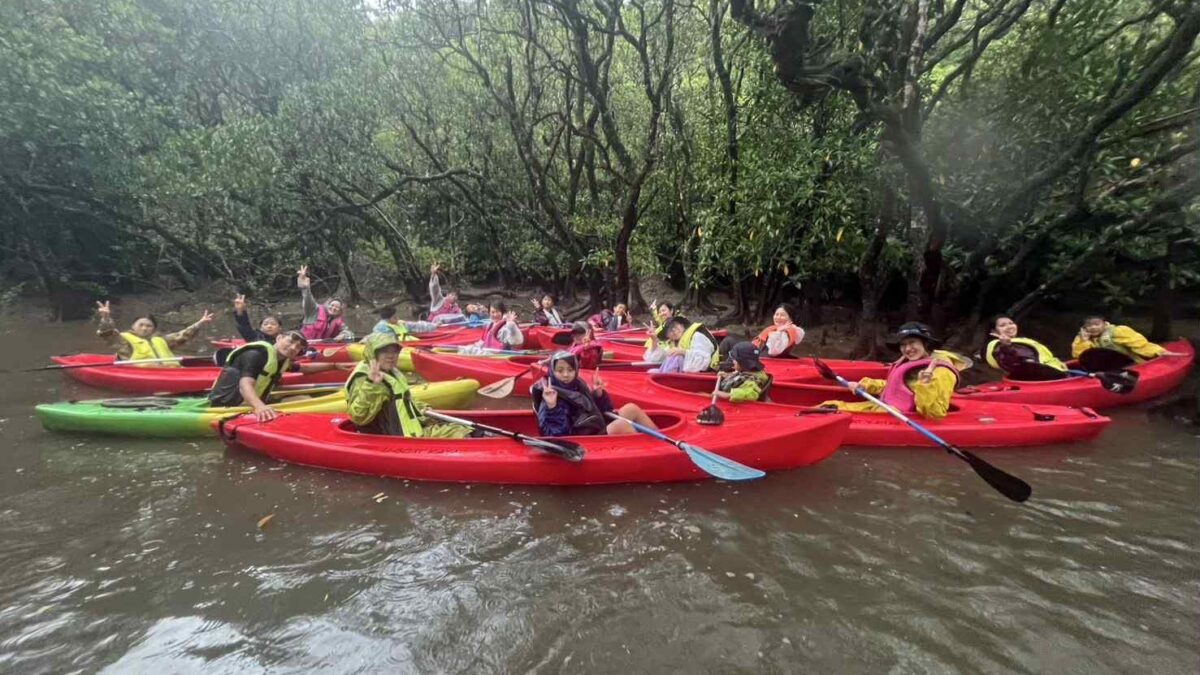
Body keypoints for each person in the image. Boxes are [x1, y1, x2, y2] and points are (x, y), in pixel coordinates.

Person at [819, 322, 969, 420]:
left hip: (901, 418)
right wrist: (865, 385)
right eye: (903, 345)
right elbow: (896, 388)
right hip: (885, 409)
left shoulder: (941, 371)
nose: (907, 349)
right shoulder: (914, 361)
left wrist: (925, 384)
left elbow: (934, 414)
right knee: (830, 405)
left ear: (926, 343)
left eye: (912, 342)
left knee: (829, 411)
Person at [345, 332, 473, 437]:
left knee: (464, 429)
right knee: (460, 433)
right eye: (385, 352)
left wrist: (423, 408)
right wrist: (372, 385)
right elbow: (358, 416)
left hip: (410, 431)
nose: (391, 356)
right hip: (395, 440)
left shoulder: (392, 372)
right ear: (373, 354)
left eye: (394, 352)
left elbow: (403, 401)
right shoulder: (363, 378)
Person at [207, 331, 346, 420]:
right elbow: (245, 385)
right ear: (279, 338)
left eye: (298, 347)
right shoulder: (256, 355)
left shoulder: (281, 360)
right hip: (227, 406)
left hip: (250, 403)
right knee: (303, 404)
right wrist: (260, 407)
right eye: (291, 342)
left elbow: (304, 368)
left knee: (305, 398)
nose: (293, 348)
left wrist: (333, 366)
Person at [530, 352, 657, 436]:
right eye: (560, 370)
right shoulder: (549, 396)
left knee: (631, 408)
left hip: (594, 427)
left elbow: (605, 411)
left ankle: (663, 443)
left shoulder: (577, 385)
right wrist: (553, 407)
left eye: (570, 369)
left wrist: (599, 395)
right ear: (552, 371)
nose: (566, 374)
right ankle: (651, 452)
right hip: (582, 440)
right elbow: (555, 435)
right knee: (621, 425)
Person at [95, 300, 213, 366]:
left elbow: (182, 336)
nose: (145, 328)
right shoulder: (123, 340)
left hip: (174, 372)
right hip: (144, 374)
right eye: (141, 325)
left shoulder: (161, 339)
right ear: (133, 326)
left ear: (153, 329)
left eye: (148, 326)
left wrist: (199, 323)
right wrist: (106, 318)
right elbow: (108, 334)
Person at [1070, 316, 1186, 362]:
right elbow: (1080, 357)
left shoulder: (1119, 331)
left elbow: (1140, 344)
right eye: (1089, 325)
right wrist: (1084, 341)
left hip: (1131, 364)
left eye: (1096, 324)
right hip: (1105, 369)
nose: (1093, 328)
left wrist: (1158, 351)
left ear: (1104, 324)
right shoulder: (1082, 338)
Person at [984, 315, 1066, 376]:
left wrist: (1058, 364)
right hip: (1044, 378)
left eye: (1011, 323)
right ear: (994, 331)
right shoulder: (1000, 346)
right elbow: (1012, 364)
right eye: (1003, 325)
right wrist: (1006, 346)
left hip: (1056, 373)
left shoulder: (1020, 341)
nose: (1009, 327)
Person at [644, 316, 719, 373]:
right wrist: (654, 340)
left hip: (703, 375)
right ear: (668, 337)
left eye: (675, 326)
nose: (674, 330)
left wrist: (683, 352)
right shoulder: (675, 343)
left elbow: (704, 362)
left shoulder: (697, 336)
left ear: (682, 325)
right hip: (678, 376)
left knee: (677, 357)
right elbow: (655, 359)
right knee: (651, 371)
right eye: (669, 331)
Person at [297, 265, 353, 341]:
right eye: (332, 305)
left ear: (340, 311)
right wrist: (305, 288)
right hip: (305, 343)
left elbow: (349, 333)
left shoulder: (339, 321)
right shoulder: (314, 310)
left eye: (337, 307)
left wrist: (344, 334)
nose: (333, 308)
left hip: (322, 346)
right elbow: (308, 299)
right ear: (327, 305)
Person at [460, 302, 524, 353]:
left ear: (502, 312)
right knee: (467, 349)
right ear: (489, 313)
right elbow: (482, 341)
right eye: (492, 312)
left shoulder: (506, 327)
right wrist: (473, 346)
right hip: (489, 353)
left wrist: (511, 325)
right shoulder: (490, 325)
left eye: (497, 312)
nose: (495, 315)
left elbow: (516, 342)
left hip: (500, 356)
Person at [370, 307, 438, 339]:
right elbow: (373, 337)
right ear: (387, 319)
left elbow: (417, 326)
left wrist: (434, 326)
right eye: (395, 317)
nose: (397, 318)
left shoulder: (400, 323)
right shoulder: (381, 329)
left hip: (408, 345)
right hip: (396, 348)